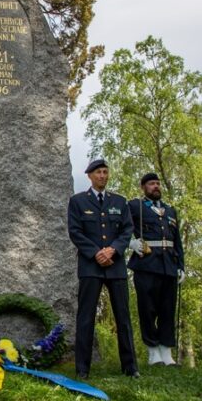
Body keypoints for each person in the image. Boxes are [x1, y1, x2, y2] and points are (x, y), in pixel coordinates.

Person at [67, 159, 139, 379]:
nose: (103, 176)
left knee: (123, 318)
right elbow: (75, 231)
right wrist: (96, 252)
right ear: (89, 176)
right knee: (86, 318)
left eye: (105, 172)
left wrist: (113, 250)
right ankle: (82, 369)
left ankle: (130, 368)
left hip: (115, 267)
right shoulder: (78, 201)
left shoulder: (119, 201)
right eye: (98, 172)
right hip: (90, 266)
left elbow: (127, 230)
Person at [128, 172, 185, 366]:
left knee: (167, 309)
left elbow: (177, 241)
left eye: (158, 183)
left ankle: (166, 351)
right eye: (152, 184)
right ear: (143, 187)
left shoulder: (170, 211)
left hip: (168, 264)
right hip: (146, 263)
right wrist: (131, 242)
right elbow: (122, 227)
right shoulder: (135, 206)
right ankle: (153, 351)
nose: (156, 187)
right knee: (148, 308)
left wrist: (181, 266)